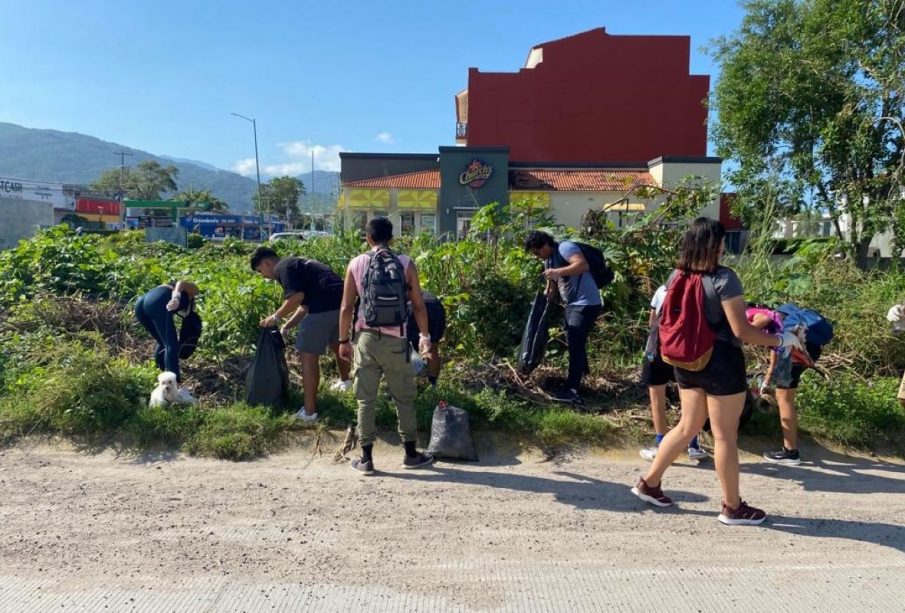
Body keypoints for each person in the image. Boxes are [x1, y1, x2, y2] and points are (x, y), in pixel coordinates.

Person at [631, 217, 802, 526]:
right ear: (715, 244)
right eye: (722, 241)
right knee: (724, 437)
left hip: (685, 360)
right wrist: (780, 338)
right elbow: (742, 331)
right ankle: (732, 507)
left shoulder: (675, 275)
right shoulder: (725, 279)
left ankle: (650, 483)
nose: (724, 246)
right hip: (721, 362)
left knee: (687, 426)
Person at [338, 216, 434, 475]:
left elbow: (347, 307)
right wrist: (425, 336)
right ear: (392, 238)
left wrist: (343, 341)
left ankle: (366, 459)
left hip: (366, 340)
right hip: (397, 340)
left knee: (365, 400)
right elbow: (418, 304)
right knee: (404, 399)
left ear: (368, 238)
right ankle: (411, 455)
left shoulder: (356, 263)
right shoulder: (405, 263)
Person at [250, 247, 351, 422]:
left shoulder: (282, 267)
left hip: (323, 306)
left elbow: (296, 296)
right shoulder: (297, 262)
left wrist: (275, 317)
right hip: (341, 304)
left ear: (267, 263)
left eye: (260, 271)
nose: (263, 276)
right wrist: (288, 325)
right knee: (336, 343)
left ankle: (309, 413)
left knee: (308, 355)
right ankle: (346, 382)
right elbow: (305, 304)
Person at [524, 231, 602, 405]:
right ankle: (581, 378)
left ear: (545, 245)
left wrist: (556, 271)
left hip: (586, 303)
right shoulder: (548, 260)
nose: (537, 257)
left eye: (537, 252)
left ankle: (572, 391)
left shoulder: (565, 247)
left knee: (575, 344)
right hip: (572, 305)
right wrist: (540, 307)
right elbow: (551, 289)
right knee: (574, 341)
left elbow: (582, 265)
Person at [639, 284, 708, 462]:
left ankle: (661, 442)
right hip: (685, 351)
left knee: (657, 397)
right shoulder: (700, 290)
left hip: (657, 348)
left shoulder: (662, 289)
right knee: (687, 397)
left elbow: (652, 320)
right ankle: (692, 444)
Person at [747, 305, 821, 466]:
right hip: (804, 351)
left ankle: (791, 452)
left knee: (784, 400)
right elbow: (776, 346)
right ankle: (790, 450)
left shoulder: (755, 314)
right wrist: (768, 377)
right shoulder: (781, 317)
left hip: (792, 354)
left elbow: (745, 334)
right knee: (785, 398)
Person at [134, 280, 202, 403]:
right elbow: (181, 283)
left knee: (163, 343)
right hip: (156, 302)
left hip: (141, 304)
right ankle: (178, 391)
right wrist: (176, 296)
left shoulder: (164, 293)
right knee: (172, 346)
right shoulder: (193, 290)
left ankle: (161, 381)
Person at [406, 290, 446, 386]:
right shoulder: (415, 286)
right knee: (433, 347)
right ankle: (433, 385)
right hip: (435, 307)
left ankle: (408, 385)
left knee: (408, 347)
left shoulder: (398, 287)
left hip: (415, 307)